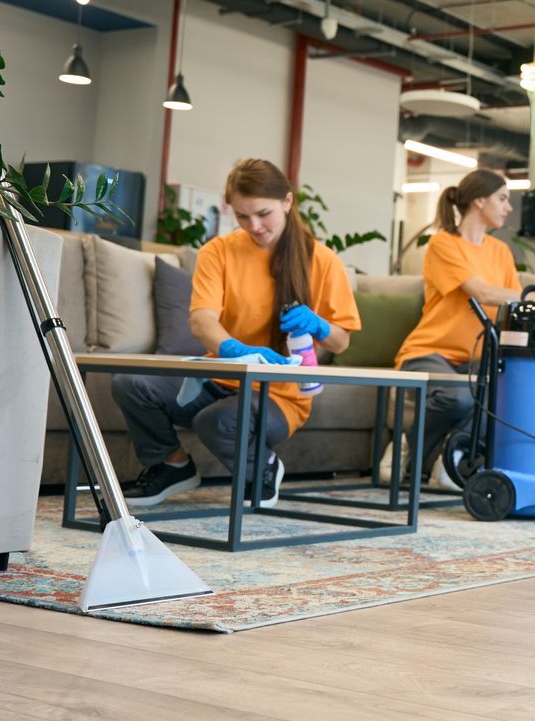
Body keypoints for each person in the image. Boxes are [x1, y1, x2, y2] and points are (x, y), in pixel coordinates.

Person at [114, 158, 361, 509]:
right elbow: (202, 319)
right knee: (131, 383)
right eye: (243, 217)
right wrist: (231, 349)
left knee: (216, 421)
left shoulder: (322, 261)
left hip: (280, 395)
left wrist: (318, 325)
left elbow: (341, 341)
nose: (254, 226)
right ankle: (173, 466)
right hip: (217, 377)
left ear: (288, 202)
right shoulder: (219, 251)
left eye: (264, 214)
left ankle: (264, 466)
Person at [390, 169, 535, 487]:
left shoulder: (501, 252)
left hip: (479, 356)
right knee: (459, 398)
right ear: (480, 200)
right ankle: (407, 447)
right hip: (430, 350)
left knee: (504, 396)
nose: (508, 207)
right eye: (502, 198)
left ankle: (451, 458)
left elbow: (512, 307)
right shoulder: (444, 244)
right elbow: (481, 292)